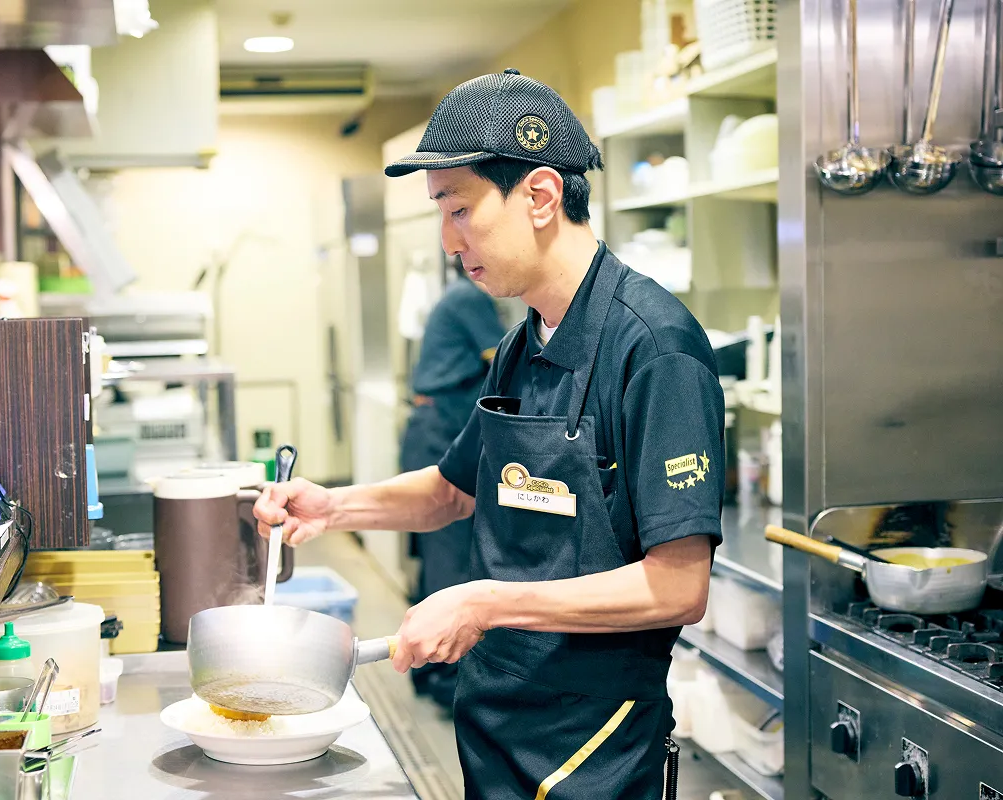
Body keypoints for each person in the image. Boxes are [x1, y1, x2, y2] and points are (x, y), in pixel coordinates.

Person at [255, 68, 724, 800]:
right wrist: (335, 506)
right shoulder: (522, 343)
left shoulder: (655, 349)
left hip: (594, 741)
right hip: (497, 715)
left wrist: (483, 603)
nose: (449, 240)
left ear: (539, 196)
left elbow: (678, 586)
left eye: (460, 209)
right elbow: (453, 489)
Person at [399, 263, 505, 708]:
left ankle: (428, 670)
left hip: (436, 425)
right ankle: (446, 678)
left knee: (439, 554)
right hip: (441, 429)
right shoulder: (469, 298)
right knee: (450, 555)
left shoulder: (461, 298)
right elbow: (504, 360)